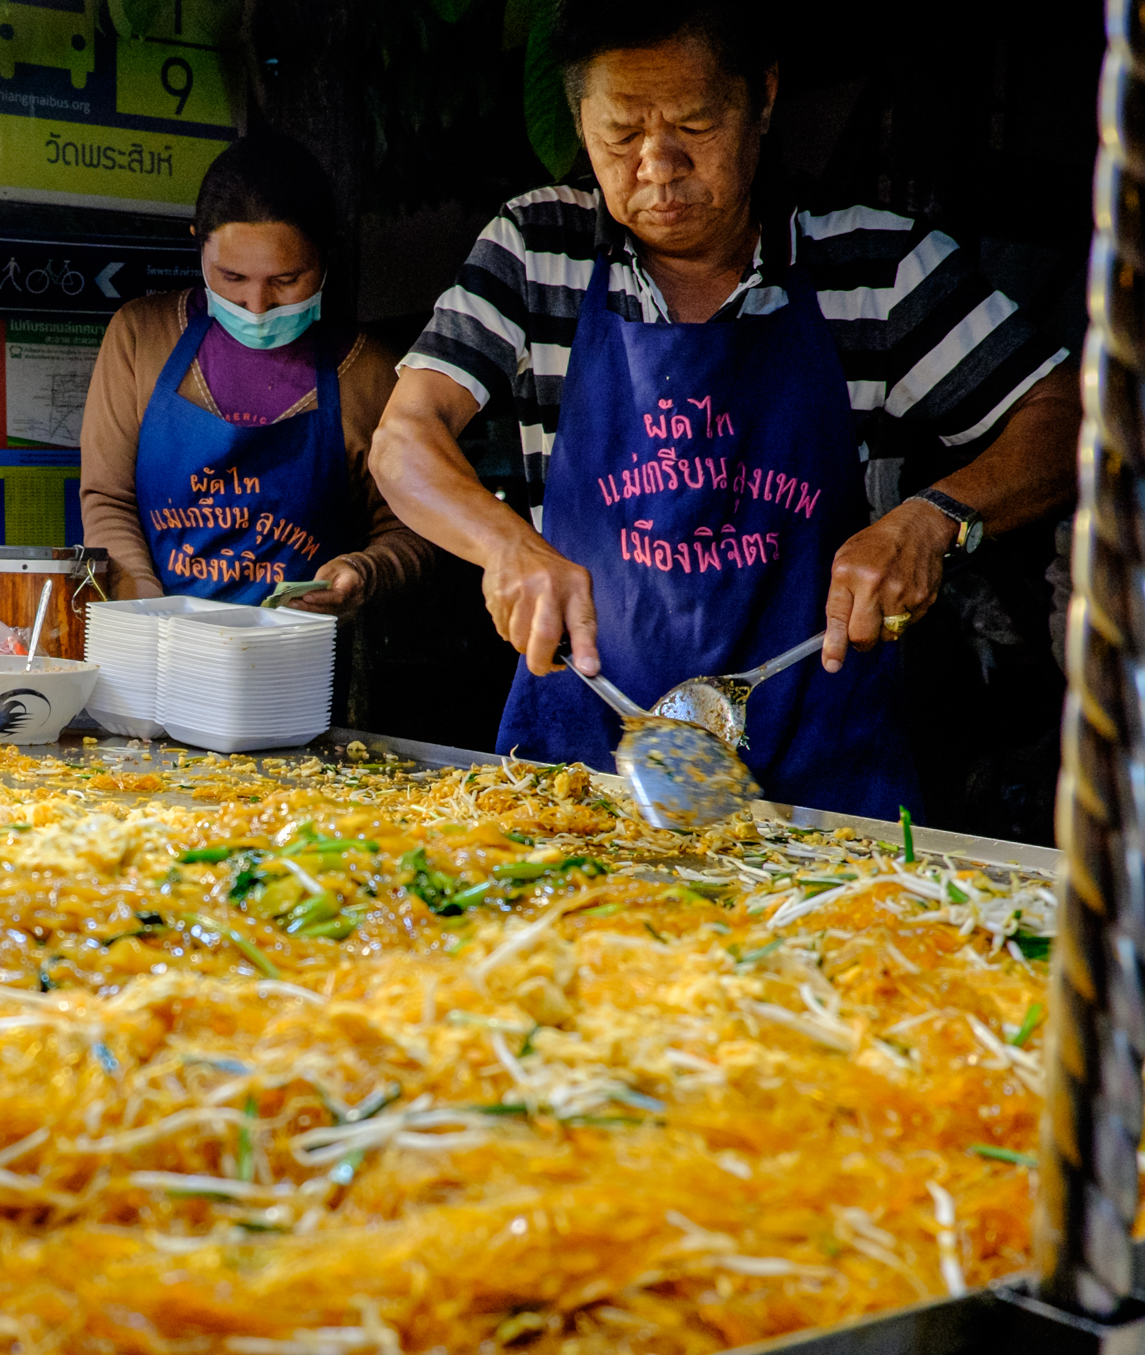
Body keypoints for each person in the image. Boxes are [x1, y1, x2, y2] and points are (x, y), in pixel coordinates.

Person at [371, 0, 1078, 819]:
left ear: (762, 97)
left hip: (823, 790)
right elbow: (403, 439)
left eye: (694, 126)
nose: (657, 166)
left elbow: (1066, 420)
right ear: (579, 119)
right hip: (578, 776)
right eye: (620, 134)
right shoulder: (536, 250)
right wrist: (505, 547)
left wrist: (934, 519)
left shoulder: (877, 265)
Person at [79, 133, 430, 613]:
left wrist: (366, 571)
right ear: (198, 244)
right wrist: (144, 607)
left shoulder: (369, 371)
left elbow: (410, 527)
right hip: (157, 637)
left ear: (326, 257)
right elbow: (108, 499)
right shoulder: (141, 337)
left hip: (299, 651)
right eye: (232, 278)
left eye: (286, 280)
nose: (257, 305)